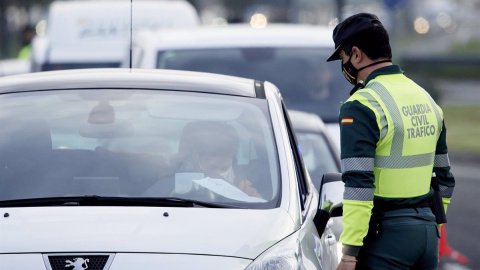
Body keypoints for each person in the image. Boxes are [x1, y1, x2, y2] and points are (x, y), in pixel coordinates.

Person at [326, 13, 455, 270]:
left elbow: (359, 184)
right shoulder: (425, 99)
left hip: (387, 238)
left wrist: (349, 254)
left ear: (356, 54)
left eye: (342, 59)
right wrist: (431, 225)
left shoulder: (362, 105)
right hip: (427, 235)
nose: (344, 66)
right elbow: (445, 179)